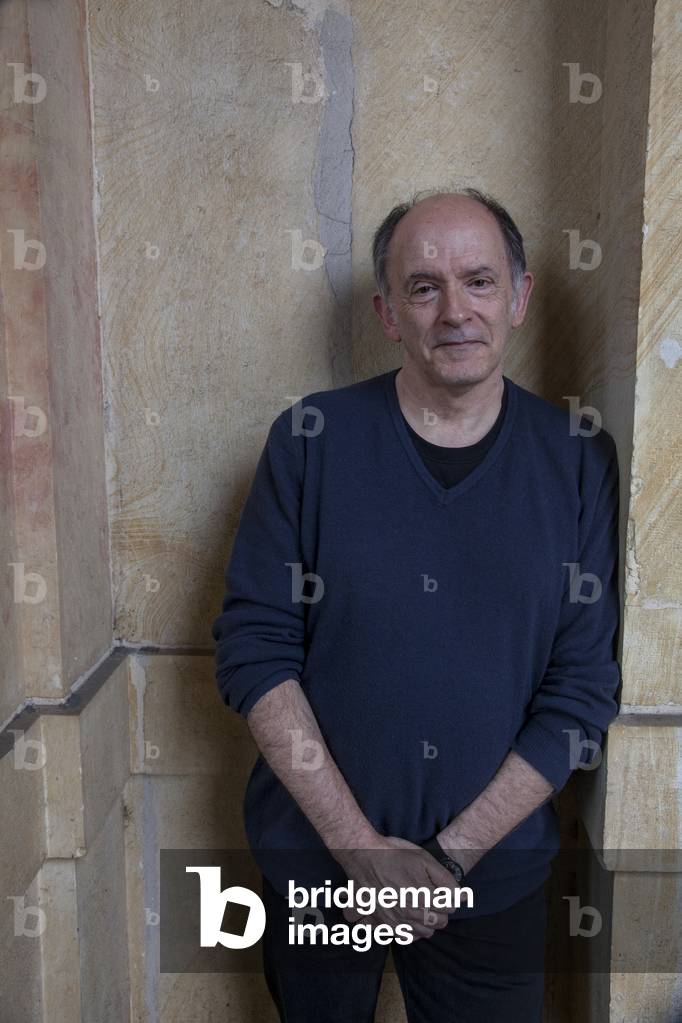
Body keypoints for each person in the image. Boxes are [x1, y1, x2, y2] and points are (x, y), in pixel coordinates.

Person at [211, 187, 622, 1022]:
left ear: (519, 296)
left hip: (492, 875)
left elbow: (581, 691)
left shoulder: (577, 458)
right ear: (387, 311)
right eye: (423, 286)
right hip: (317, 865)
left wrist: (448, 857)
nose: (455, 310)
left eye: (478, 280)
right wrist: (363, 852)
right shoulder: (309, 441)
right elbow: (254, 650)